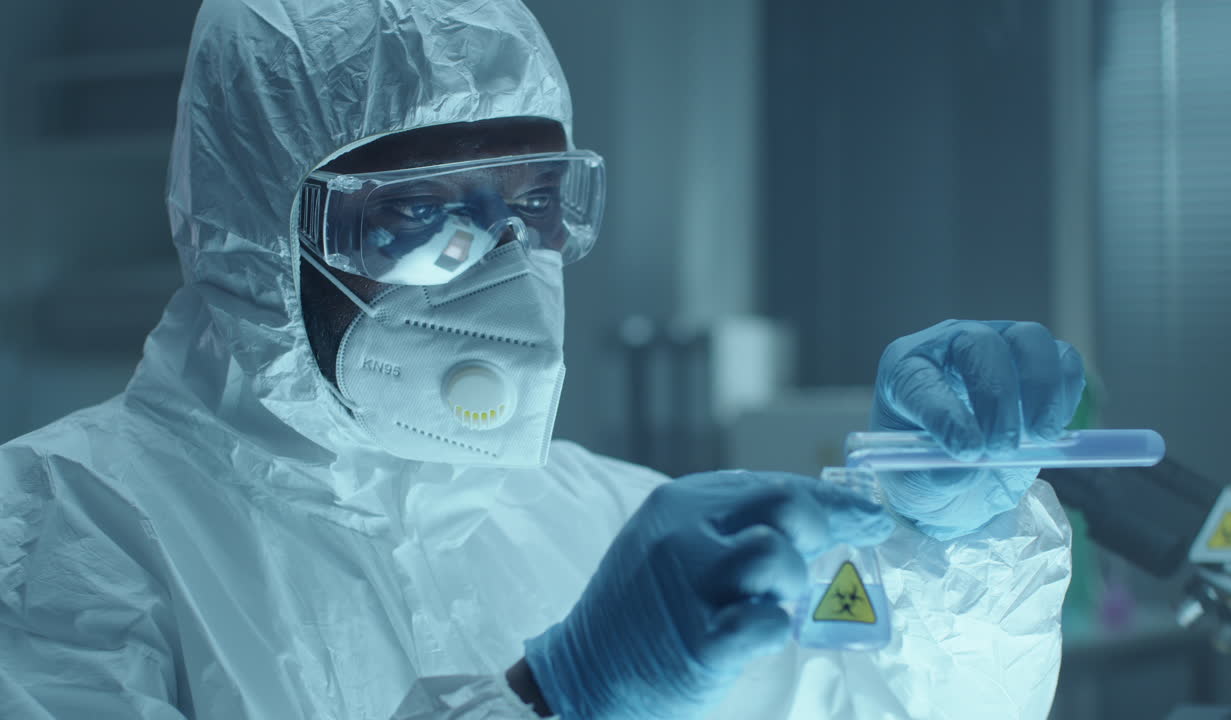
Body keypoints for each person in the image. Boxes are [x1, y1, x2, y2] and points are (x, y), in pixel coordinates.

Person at [0, 0, 1084, 718]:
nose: (499, 268)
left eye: (528, 203)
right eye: (417, 214)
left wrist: (960, 537)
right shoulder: (70, 529)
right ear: (254, 234)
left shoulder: (612, 520)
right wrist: (554, 693)